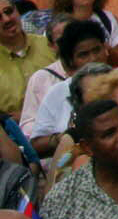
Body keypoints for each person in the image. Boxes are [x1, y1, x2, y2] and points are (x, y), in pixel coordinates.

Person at [21, 19, 109, 149]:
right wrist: (64, 138)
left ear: (105, 49)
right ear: (71, 60)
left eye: (97, 50)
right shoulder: (58, 93)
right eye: (83, 55)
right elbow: (36, 145)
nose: (93, 59)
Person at [0, 0, 55, 121]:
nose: (6, 19)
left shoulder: (50, 46)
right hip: (13, 135)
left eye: (8, 11)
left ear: (17, 12)